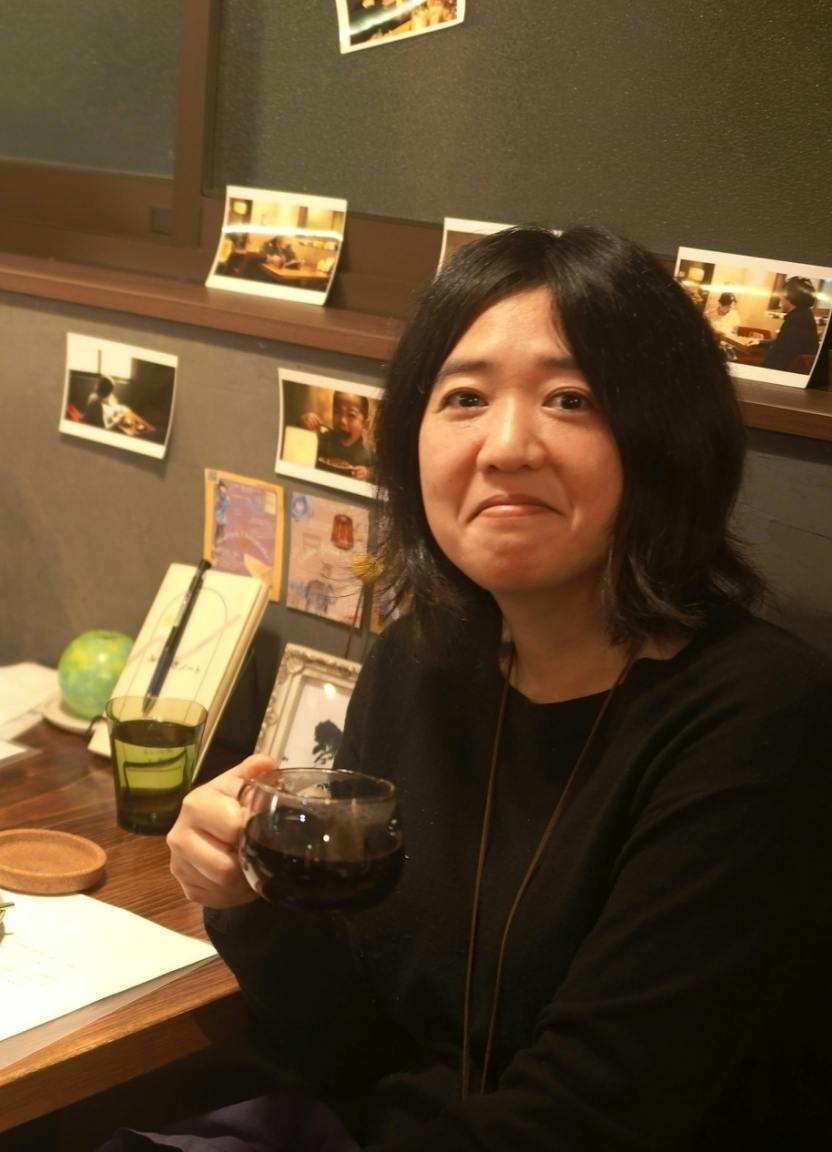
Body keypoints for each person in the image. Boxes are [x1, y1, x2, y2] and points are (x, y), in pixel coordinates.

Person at [155, 227, 828, 1149]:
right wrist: (243, 898)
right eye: (464, 398)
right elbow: (345, 1045)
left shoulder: (759, 712)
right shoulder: (419, 662)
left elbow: (590, 1120)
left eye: (571, 399)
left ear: (667, 440)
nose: (507, 446)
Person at [299, 390, 373, 480]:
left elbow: (380, 474)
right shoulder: (323, 440)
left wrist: (368, 473)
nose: (342, 421)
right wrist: (303, 425)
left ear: (365, 424)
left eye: (351, 415)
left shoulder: (367, 454)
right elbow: (301, 448)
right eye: (337, 412)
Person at [759, 275, 823, 376]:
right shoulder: (804, 315)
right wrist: (760, 342)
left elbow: (780, 357)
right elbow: (784, 343)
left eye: (783, 295)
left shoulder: (796, 321)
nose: (780, 298)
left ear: (791, 297)